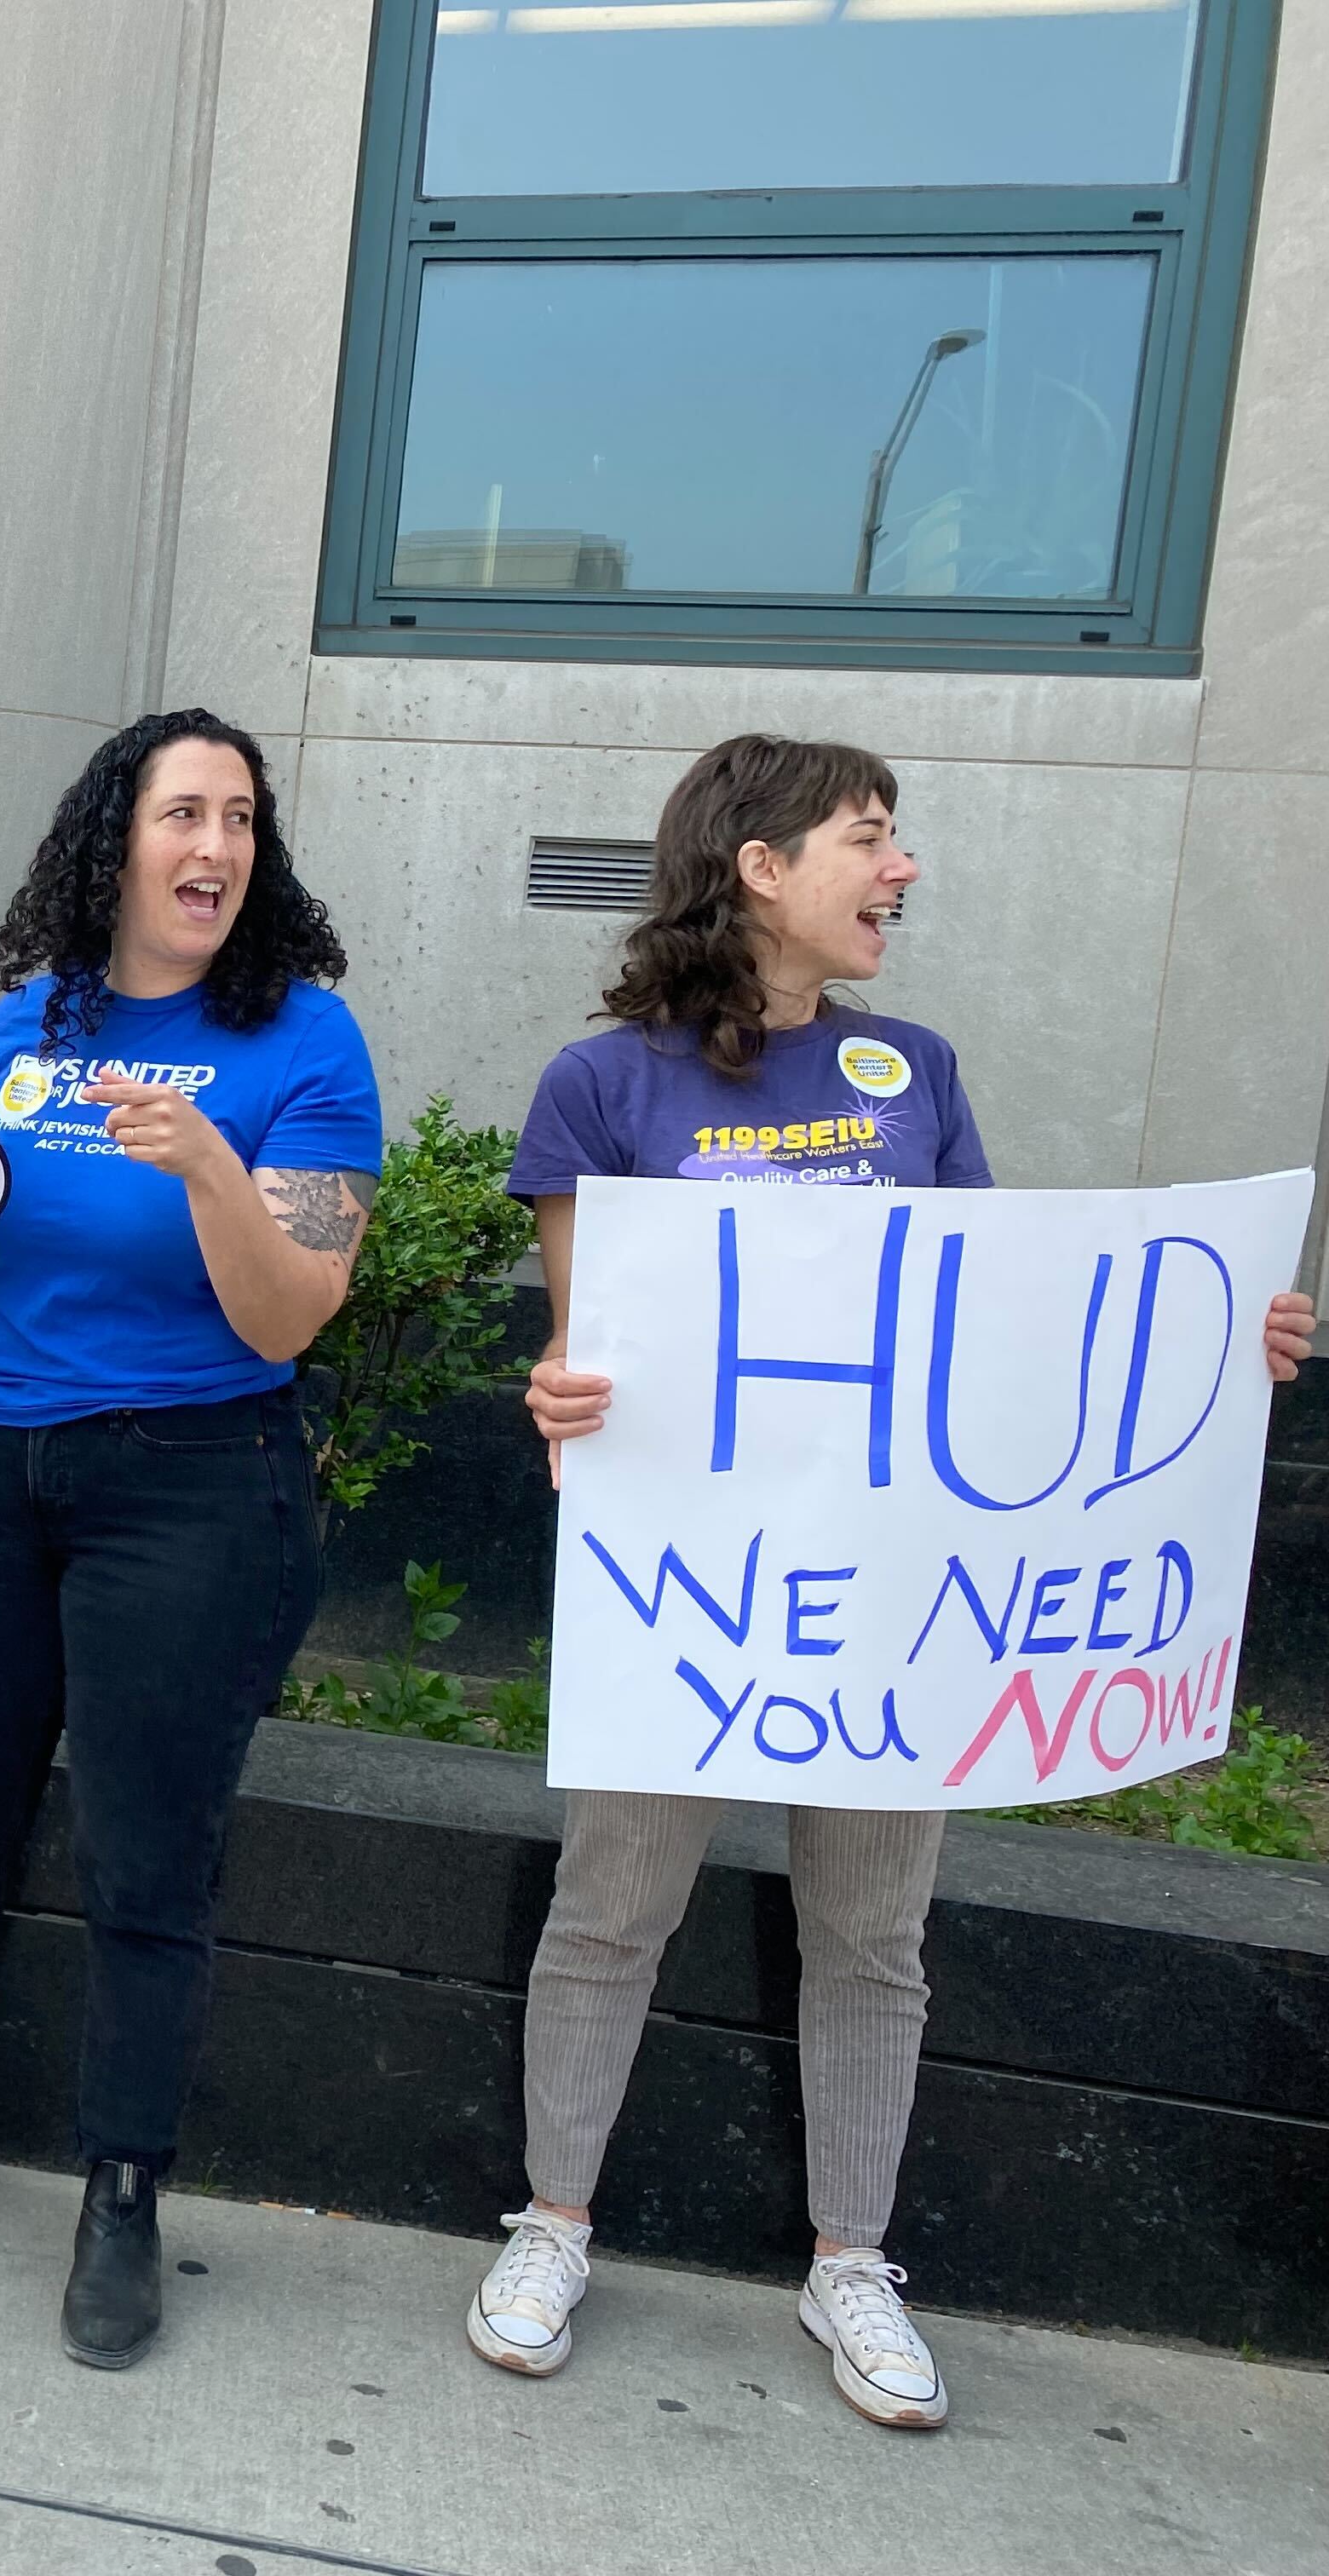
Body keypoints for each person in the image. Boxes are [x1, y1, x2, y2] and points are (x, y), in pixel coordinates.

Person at [465, 732, 1314, 2429]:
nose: (901, 869)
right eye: (872, 836)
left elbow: (996, 1328)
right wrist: (559, 1394)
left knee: (877, 1934)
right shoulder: (606, 1088)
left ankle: (852, 2260)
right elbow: (589, 1356)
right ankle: (552, 2222)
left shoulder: (912, 1073)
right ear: (762, 863)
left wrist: (1216, 1350)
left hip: (892, 1612)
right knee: (612, 1909)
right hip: (694, 1606)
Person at [0, 707, 383, 2369]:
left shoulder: (308, 1044)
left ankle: (124, 2187)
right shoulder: (34, 1021)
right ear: (118, 843)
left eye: (239, 817)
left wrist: (217, 1166)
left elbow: (291, 1311)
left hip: (193, 1486)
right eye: (182, 815)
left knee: (148, 1856)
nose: (213, 845)